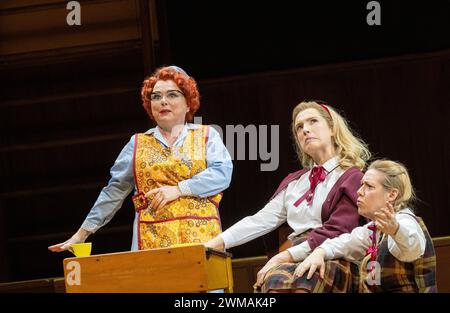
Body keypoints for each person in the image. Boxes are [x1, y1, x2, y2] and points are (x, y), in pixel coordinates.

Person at [48, 65, 233, 252]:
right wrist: (81, 234)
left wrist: (179, 189)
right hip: (151, 242)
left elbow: (222, 174)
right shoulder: (137, 143)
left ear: (188, 103)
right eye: (156, 96)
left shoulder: (206, 135)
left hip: (201, 239)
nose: (163, 101)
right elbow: (115, 191)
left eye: (172, 94)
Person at [205, 100, 371, 291]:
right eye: (299, 127)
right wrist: (214, 244)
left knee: (306, 280)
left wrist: (282, 256)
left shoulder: (352, 176)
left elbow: (338, 229)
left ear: (333, 129)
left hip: (332, 252)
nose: (305, 130)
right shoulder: (295, 182)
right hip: (293, 252)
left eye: (313, 122)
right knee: (272, 284)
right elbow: (260, 220)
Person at [293, 159, 437, 293]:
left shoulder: (406, 221)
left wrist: (396, 230)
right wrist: (320, 251)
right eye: (362, 184)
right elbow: (345, 243)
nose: (359, 191)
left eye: (369, 186)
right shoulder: (375, 229)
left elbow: (413, 248)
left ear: (392, 195)